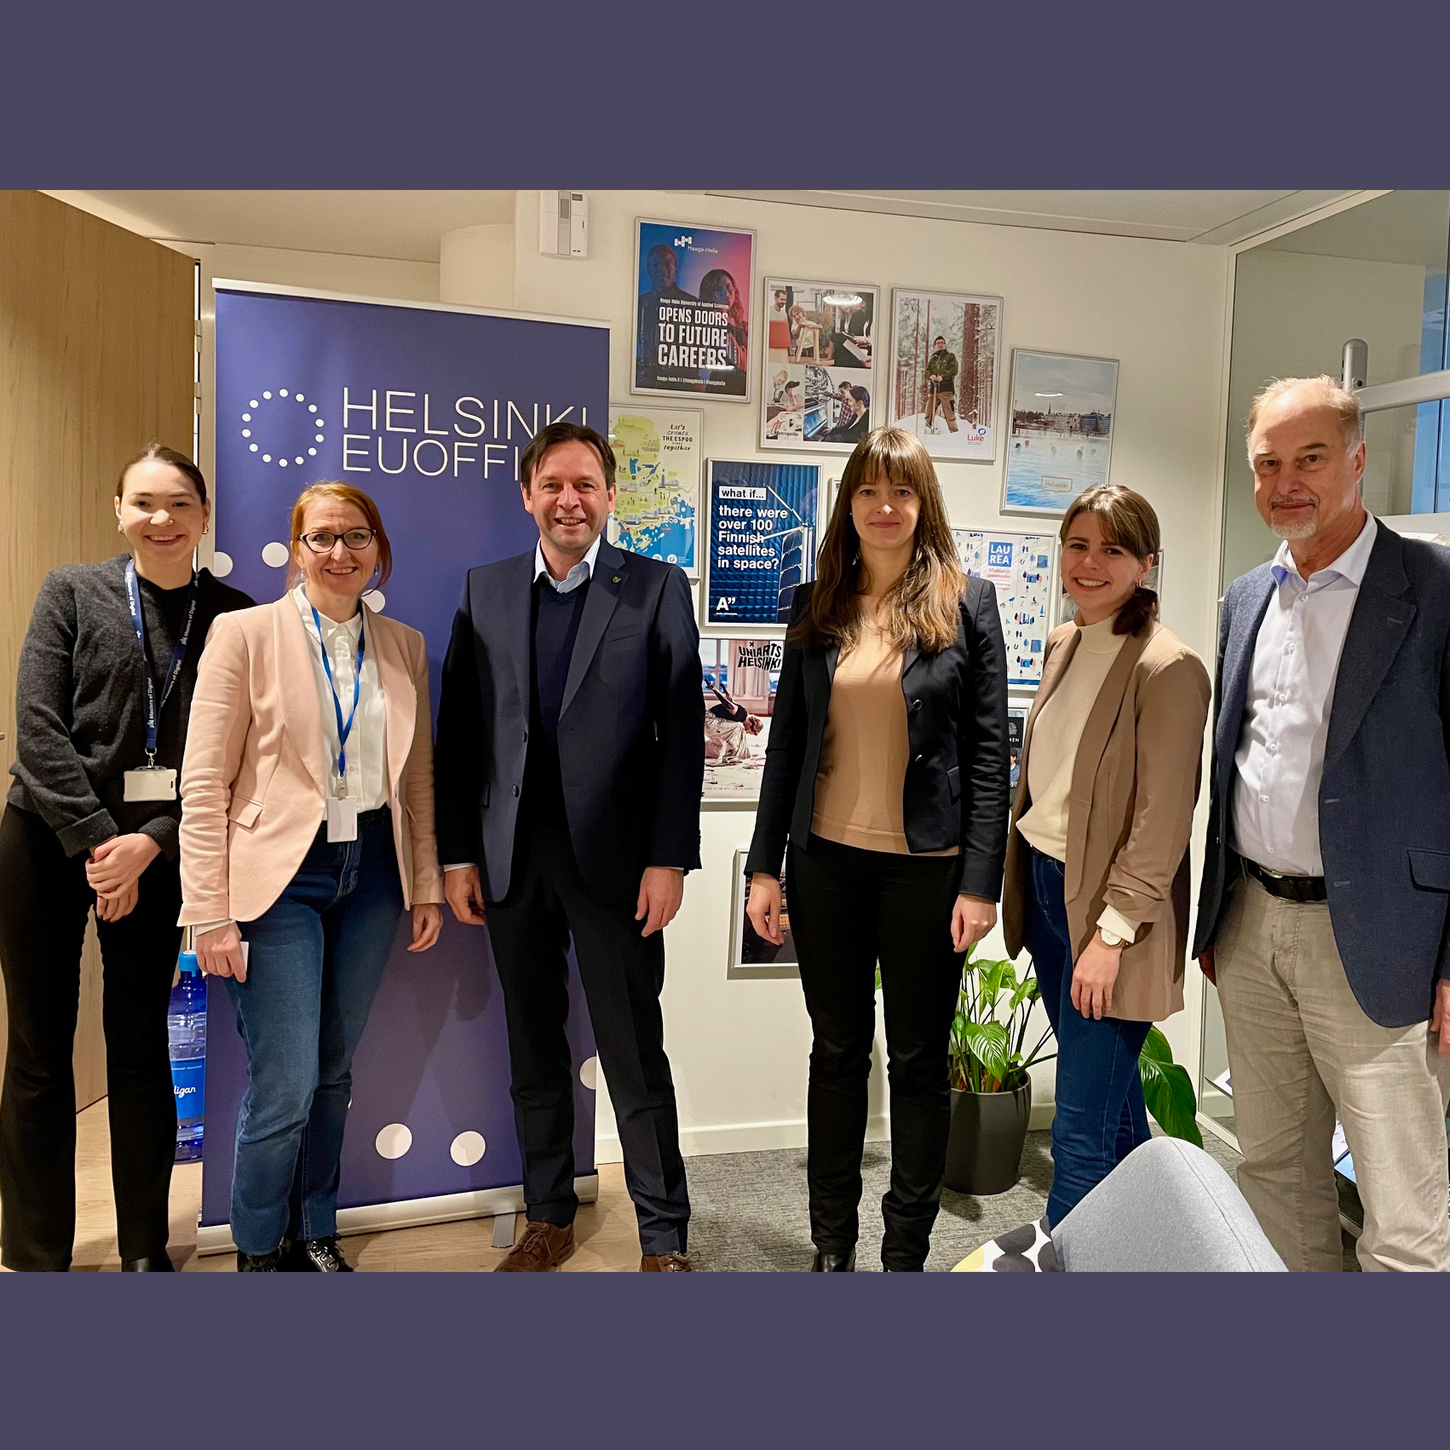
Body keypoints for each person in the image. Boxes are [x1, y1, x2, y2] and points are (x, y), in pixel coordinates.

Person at [1194, 375, 1450, 1272]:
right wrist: (1219, 917)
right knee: (1273, 1174)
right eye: (1268, 464)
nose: (1285, 482)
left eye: (1309, 459)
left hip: (1386, 943)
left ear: (1357, 460)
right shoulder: (1246, 599)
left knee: (1403, 1211)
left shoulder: (1435, 589)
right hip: (1254, 926)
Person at [435, 421, 704, 1272]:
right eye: (553, 484)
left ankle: (662, 1237)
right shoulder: (485, 591)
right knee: (533, 1048)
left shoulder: (654, 588)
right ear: (527, 494)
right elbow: (460, 737)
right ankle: (548, 1214)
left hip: (618, 866)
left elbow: (683, 734)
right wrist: (455, 856)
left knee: (632, 1051)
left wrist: (670, 857)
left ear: (611, 495)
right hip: (511, 860)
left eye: (586, 484)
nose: (569, 500)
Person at [744, 426, 1008, 1271]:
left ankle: (905, 1249)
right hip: (826, 864)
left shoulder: (969, 603)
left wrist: (980, 882)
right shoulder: (815, 604)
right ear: (849, 503)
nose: (883, 507)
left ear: (922, 503)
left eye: (901, 492)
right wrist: (762, 867)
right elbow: (785, 746)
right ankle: (831, 1245)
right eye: (867, 491)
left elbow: (988, 755)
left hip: (928, 876)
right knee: (837, 1052)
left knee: (921, 1062)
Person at [0, 444, 253, 1272]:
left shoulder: (234, 615)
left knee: (140, 1046)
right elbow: (36, 729)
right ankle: (37, 1254)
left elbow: (240, 757)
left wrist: (150, 845)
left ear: (204, 515)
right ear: (119, 511)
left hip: (161, 849)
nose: (161, 519)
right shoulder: (71, 592)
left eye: (179, 503)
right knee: (39, 1051)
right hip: (46, 837)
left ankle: (146, 1248)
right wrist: (100, 844)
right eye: (143, 502)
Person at [179, 482, 444, 1272]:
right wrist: (208, 912)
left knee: (334, 1072)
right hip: (276, 881)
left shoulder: (404, 645)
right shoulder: (243, 635)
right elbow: (205, 784)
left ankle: (316, 1226)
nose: (339, 553)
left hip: (370, 876)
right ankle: (260, 1247)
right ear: (296, 549)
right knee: (286, 1081)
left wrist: (424, 882)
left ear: (379, 550)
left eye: (356, 537)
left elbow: (418, 780)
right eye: (321, 538)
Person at [1002, 485, 1210, 1226]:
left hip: (1109, 916)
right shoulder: (1065, 640)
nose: (1090, 564)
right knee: (1120, 1117)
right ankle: (1143, 1255)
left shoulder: (1167, 666)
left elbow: (1163, 821)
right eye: (1079, 545)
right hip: (1048, 886)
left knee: (1078, 1135)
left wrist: (1113, 934)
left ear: (1145, 564)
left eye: (1112, 550)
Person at [636, 243, 694, 387]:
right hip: (646, 385)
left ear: (676, 268)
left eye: (667, 264)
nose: (662, 270)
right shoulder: (638, 304)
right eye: (655, 265)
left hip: (683, 387)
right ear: (649, 270)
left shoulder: (693, 304)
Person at [697, 267, 747, 371]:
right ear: (710, 295)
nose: (726, 294)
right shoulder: (712, 323)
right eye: (718, 290)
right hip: (725, 383)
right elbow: (743, 364)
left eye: (728, 287)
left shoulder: (741, 323)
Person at [923, 336, 959, 434]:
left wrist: (942, 376)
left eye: (942, 342)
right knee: (929, 411)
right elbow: (927, 371)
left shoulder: (950, 356)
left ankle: (954, 432)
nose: (940, 344)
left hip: (946, 390)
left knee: (949, 413)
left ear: (945, 345)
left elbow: (954, 370)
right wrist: (931, 376)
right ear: (935, 345)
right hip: (934, 390)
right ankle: (927, 430)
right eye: (938, 343)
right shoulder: (933, 359)